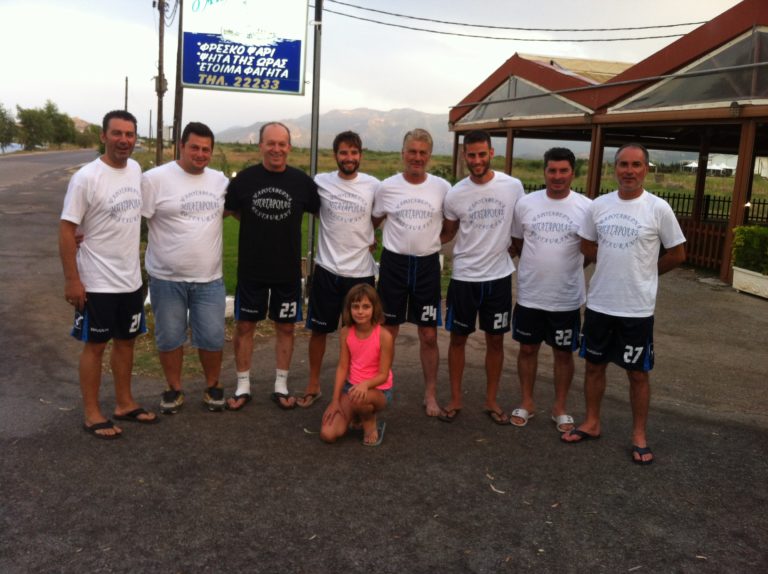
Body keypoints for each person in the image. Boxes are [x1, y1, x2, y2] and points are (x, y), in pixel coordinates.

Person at [561, 143, 686, 465]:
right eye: (623, 165)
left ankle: (639, 435)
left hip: (637, 309)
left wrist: (648, 273)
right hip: (601, 303)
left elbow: (677, 253)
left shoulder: (658, 208)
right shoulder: (599, 206)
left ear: (646, 169)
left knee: (638, 374)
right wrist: (605, 263)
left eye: (636, 165)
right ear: (614, 169)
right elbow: (586, 242)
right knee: (593, 366)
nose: (629, 171)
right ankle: (592, 422)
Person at [59, 109, 157, 439]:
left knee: (126, 343)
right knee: (95, 346)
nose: (124, 140)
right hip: (96, 280)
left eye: (129, 134)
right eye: (117, 133)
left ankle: (124, 403)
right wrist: (73, 279)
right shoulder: (86, 177)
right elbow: (66, 229)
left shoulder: (135, 170)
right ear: (103, 136)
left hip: (129, 279)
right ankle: (92, 413)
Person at [224, 122, 320, 411]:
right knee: (244, 326)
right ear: (260, 146)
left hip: (287, 272)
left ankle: (281, 385)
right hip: (252, 270)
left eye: (282, 144)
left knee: (286, 328)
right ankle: (243, 386)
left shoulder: (302, 183)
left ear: (290, 147)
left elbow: (325, 215)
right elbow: (233, 211)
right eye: (271, 143)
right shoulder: (244, 181)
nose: (276, 149)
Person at [141, 122, 229, 414]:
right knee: (169, 336)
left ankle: (213, 386)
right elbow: (132, 218)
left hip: (209, 278)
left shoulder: (219, 181)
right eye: (195, 147)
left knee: (213, 337)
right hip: (167, 278)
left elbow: (231, 211)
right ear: (181, 145)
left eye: (206, 149)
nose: (200, 154)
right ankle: (174, 389)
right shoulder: (154, 179)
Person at [439, 130, 524, 424]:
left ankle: (491, 400)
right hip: (464, 278)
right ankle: (455, 398)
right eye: (471, 155)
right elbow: (447, 233)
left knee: (496, 341)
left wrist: (509, 253)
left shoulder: (513, 187)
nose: (477, 160)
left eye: (481, 154)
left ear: (491, 153)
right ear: (465, 157)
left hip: (498, 278)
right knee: (458, 340)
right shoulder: (455, 193)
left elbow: (519, 228)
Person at [509, 147, 592, 432]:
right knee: (528, 348)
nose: (557, 177)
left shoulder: (585, 207)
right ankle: (527, 402)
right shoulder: (526, 204)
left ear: (573, 173)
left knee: (563, 353)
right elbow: (518, 242)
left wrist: (568, 270)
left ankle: (560, 407)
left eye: (563, 171)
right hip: (531, 294)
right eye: (552, 170)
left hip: (566, 297)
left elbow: (590, 250)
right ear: (544, 171)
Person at [371, 128, 450, 417]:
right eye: (412, 152)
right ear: (403, 153)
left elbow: (450, 226)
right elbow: (374, 219)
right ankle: (379, 388)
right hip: (394, 265)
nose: (417, 158)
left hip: (427, 265)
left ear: (429, 156)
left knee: (428, 334)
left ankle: (430, 395)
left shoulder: (442, 188)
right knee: (387, 331)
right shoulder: (387, 187)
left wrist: (431, 242)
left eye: (422, 153)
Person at [298, 131, 380, 408]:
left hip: (360, 274)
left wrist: (372, 237)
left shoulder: (373, 186)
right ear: (336, 155)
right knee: (319, 331)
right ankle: (313, 384)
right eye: (344, 153)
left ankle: (354, 386)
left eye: (354, 152)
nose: (349, 158)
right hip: (327, 270)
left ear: (361, 155)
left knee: (359, 336)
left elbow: (380, 216)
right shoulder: (320, 182)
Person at [319, 284, 393, 446]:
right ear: (349, 308)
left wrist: (365, 385)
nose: (360, 311)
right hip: (351, 389)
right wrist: (335, 401)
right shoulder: (346, 332)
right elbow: (343, 367)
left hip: (378, 391)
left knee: (359, 399)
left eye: (366, 306)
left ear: (375, 308)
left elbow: (383, 375)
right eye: (355, 306)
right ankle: (357, 415)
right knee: (328, 434)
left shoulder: (384, 336)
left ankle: (370, 421)